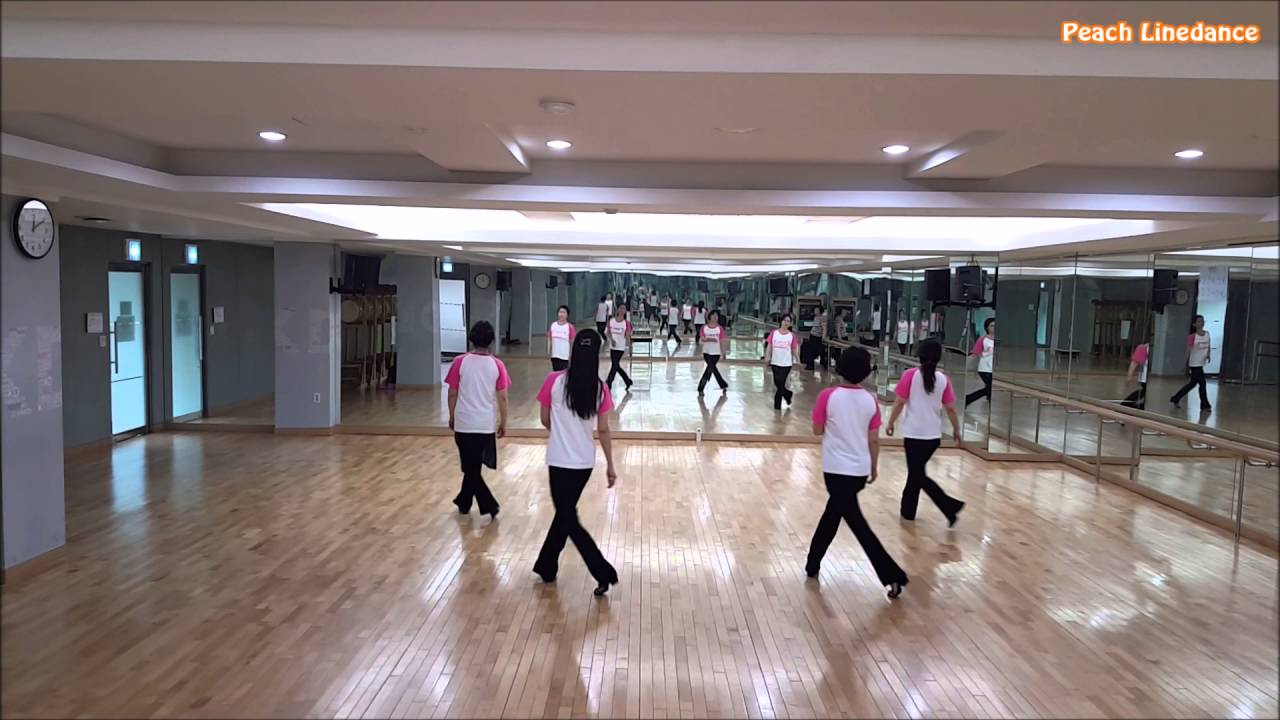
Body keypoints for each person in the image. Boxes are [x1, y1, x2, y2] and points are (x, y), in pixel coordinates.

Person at [806, 346, 909, 599]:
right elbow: (873, 439)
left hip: (834, 469)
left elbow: (817, 430)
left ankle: (892, 575)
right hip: (858, 470)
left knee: (854, 522)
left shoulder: (828, 396)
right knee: (834, 514)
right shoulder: (870, 400)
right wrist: (873, 466)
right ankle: (812, 564)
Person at [533, 330, 620, 596]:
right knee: (565, 514)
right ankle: (546, 565)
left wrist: (562, 433)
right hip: (583, 463)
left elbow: (544, 419)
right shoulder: (600, 388)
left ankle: (603, 572)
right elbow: (603, 429)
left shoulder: (553, 381)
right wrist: (610, 465)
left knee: (568, 517)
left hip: (558, 460)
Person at [885, 338, 964, 526]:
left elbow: (900, 402)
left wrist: (890, 422)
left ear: (919, 355)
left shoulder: (910, 375)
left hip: (914, 435)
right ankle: (908, 511)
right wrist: (956, 429)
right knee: (916, 473)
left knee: (917, 474)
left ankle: (949, 505)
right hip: (932, 436)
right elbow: (951, 408)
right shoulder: (943, 379)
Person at [445, 321, 510, 519]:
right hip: (484, 424)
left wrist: (452, 415)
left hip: (464, 422)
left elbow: (452, 393)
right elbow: (503, 397)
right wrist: (503, 422)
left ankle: (488, 505)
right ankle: (464, 502)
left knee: (470, 467)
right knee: (472, 467)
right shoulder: (497, 365)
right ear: (491, 341)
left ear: (471, 339)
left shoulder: (459, 362)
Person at [1171, 314, 1212, 411]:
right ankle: (1205, 405)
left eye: (1202, 321)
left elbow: (1208, 345)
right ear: (1194, 324)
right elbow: (1188, 351)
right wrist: (1185, 363)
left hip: (1201, 363)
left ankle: (1176, 398)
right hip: (1194, 364)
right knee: (1202, 383)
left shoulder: (1207, 334)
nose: (1201, 323)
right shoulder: (1192, 337)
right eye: (1199, 321)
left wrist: (1208, 355)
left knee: (1192, 384)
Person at [765, 313, 801, 409]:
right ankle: (788, 394)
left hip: (786, 364)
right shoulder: (774, 333)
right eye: (784, 320)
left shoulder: (792, 336)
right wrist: (767, 357)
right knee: (777, 382)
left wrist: (798, 361)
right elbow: (769, 346)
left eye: (788, 321)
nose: (786, 323)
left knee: (781, 383)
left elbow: (794, 350)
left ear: (790, 323)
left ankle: (777, 406)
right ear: (781, 321)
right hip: (775, 362)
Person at [965, 317, 996, 407]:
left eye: (995, 326)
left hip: (994, 369)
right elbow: (974, 354)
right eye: (991, 326)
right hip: (984, 369)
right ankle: (968, 399)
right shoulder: (982, 340)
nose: (994, 328)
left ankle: (971, 399)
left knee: (989, 388)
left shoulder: (998, 340)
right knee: (990, 388)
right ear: (987, 328)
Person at [698, 310, 730, 395]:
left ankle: (701, 388)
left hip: (716, 353)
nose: (715, 317)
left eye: (716, 315)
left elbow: (722, 341)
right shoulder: (704, 327)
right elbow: (702, 338)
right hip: (706, 352)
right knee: (713, 369)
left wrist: (723, 353)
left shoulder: (720, 328)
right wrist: (709, 339)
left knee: (710, 369)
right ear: (709, 316)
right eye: (713, 315)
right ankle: (723, 385)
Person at [605, 306, 634, 391]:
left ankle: (608, 382)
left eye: (624, 309)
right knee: (616, 365)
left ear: (625, 312)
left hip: (621, 347)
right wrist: (611, 339)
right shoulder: (611, 321)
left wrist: (628, 347)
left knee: (615, 365)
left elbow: (628, 335)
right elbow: (608, 332)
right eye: (620, 308)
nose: (622, 310)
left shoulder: (626, 323)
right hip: (612, 346)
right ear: (617, 310)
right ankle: (628, 381)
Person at [1122, 336, 1151, 409]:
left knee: (1143, 393)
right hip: (1144, 378)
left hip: (1145, 378)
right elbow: (1134, 364)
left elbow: (1133, 364)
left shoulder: (1143, 348)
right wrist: (1129, 377)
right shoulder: (1143, 348)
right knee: (1142, 393)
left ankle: (1126, 404)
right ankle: (1126, 404)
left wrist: (1129, 377)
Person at [547, 305, 576, 371]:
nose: (561, 314)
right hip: (555, 356)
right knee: (556, 373)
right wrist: (548, 351)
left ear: (567, 315)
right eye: (560, 312)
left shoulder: (570, 327)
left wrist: (571, 354)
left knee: (564, 374)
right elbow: (549, 339)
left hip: (565, 357)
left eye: (564, 312)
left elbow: (572, 341)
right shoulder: (553, 325)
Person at [806, 305, 828, 371]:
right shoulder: (815, 317)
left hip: (817, 337)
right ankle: (810, 365)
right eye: (815, 310)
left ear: (820, 311)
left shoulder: (822, 318)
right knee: (810, 351)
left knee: (815, 351)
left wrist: (823, 337)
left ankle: (812, 366)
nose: (815, 311)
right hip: (812, 336)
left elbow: (824, 328)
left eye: (816, 310)